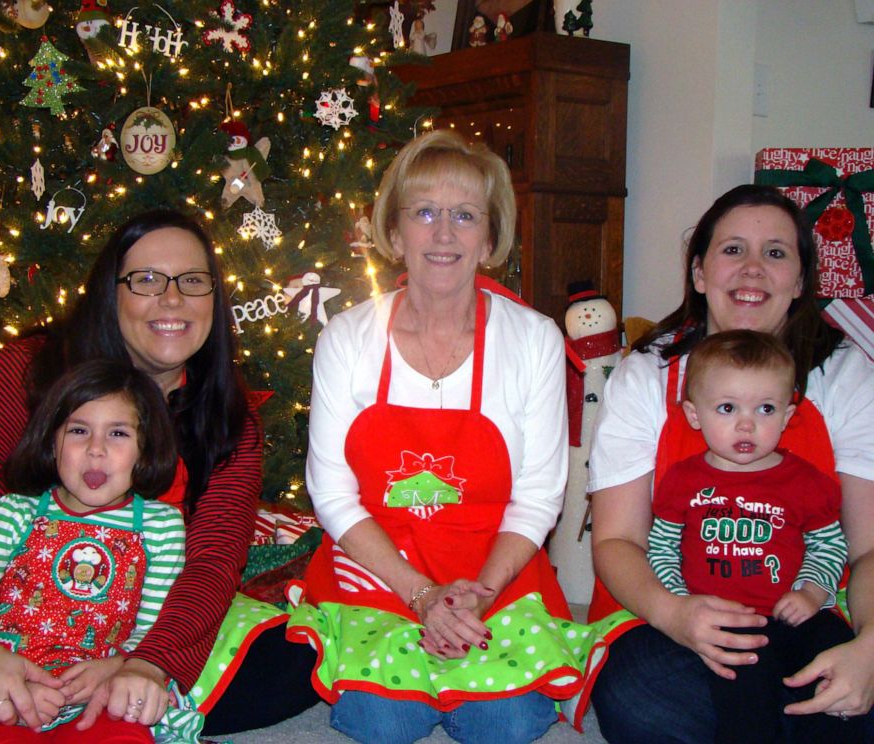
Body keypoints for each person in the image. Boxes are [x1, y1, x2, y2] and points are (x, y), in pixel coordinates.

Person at [0, 209, 318, 739]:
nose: (173, 299)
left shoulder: (226, 412)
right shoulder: (28, 370)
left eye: (193, 281)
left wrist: (143, 663)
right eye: (147, 280)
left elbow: (215, 560)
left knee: (296, 664)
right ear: (108, 293)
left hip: (133, 625)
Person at [287, 129, 603, 744]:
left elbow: (538, 495)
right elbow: (331, 492)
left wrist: (472, 599)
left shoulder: (533, 339)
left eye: (464, 216)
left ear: (489, 239)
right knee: (385, 721)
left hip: (494, 575)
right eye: (424, 212)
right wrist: (422, 596)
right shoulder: (347, 340)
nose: (443, 233)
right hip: (380, 573)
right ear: (395, 232)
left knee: (506, 723)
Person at [587, 184, 874, 744]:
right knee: (641, 700)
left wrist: (867, 650)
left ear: (799, 280)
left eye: (775, 253)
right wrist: (676, 616)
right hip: (668, 602)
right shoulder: (646, 376)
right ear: (698, 273)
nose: (752, 270)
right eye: (732, 249)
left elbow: (866, 548)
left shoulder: (844, 376)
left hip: (807, 609)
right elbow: (617, 541)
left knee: (848, 697)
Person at [0, 359, 203, 743]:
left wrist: (120, 667)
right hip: (3, 691)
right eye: (78, 430)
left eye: (118, 434)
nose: (96, 450)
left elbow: (153, 632)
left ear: (145, 451)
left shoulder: (160, 526)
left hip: (104, 694)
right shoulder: (14, 513)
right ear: (52, 441)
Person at [647, 330, 862, 743]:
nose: (747, 423)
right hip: (721, 621)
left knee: (836, 653)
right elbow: (663, 546)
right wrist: (680, 602)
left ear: (785, 417)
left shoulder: (804, 480)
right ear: (694, 415)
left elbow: (830, 543)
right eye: (727, 408)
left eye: (765, 409)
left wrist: (812, 593)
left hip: (795, 614)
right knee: (744, 688)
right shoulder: (683, 480)